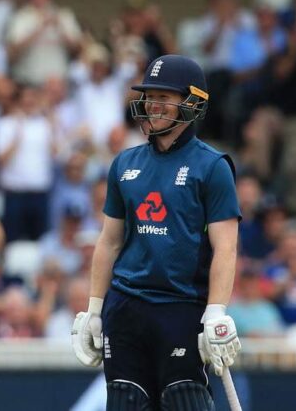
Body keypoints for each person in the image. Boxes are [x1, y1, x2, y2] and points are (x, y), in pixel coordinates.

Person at [70, 55, 242, 410]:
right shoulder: (124, 164)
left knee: (185, 400)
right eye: (150, 95)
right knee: (124, 401)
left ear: (192, 102)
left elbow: (225, 248)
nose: (153, 104)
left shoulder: (212, 166)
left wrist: (216, 311)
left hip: (181, 307)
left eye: (165, 96)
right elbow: (109, 241)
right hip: (126, 308)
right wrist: (94, 309)